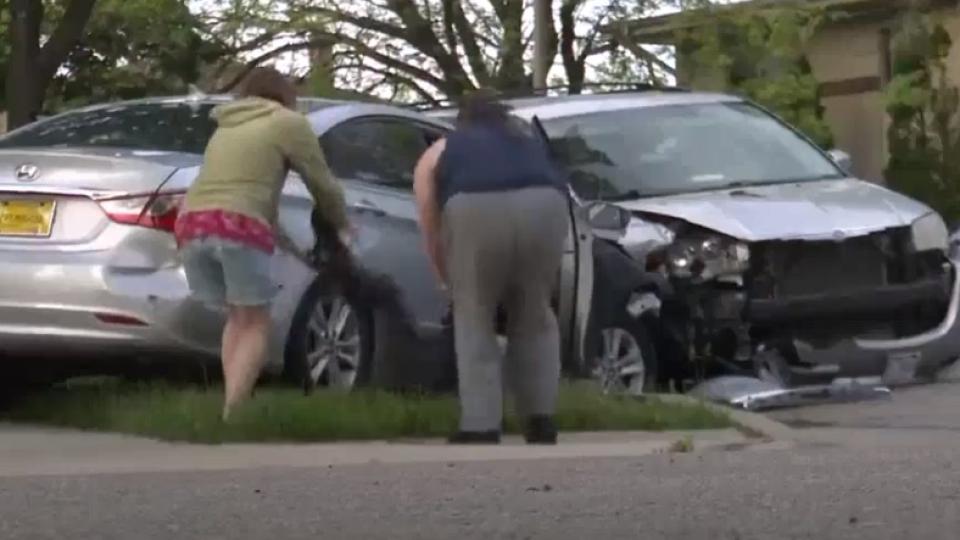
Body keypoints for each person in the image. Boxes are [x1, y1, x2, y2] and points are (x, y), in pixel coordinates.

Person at [175, 67, 350, 420]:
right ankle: (235, 412)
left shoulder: (226, 127)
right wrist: (343, 224)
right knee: (256, 322)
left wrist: (281, 238)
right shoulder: (288, 122)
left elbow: (245, 189)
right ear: (285, 94)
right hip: (237, 226)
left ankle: (231, 402)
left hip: (191, 225)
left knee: (238, 317)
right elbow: (323, 183)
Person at [413, 92, 569, 445]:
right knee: (535, 312)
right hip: (546, 205)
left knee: (474, 312)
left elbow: (430, 223)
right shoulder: (527, 140)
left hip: (473, 209)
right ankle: (540, 418)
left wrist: (447, 279)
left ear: (460, 121)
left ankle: (481, 424)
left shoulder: (442, 149)